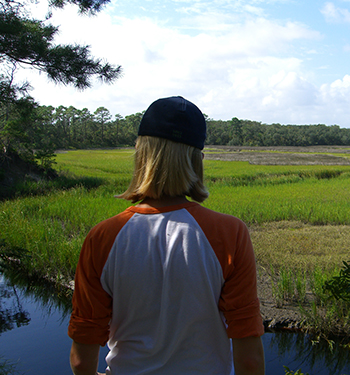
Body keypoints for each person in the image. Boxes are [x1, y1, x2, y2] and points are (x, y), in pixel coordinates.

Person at [68, 96, 265, 375]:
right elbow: (250, 361)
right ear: (198, 160)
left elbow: (81, 360)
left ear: (141, 153)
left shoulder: (103, 237)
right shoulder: (229, 233)